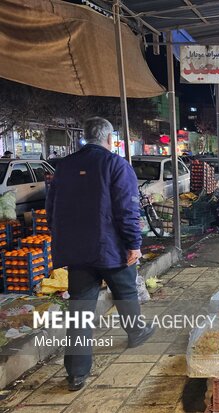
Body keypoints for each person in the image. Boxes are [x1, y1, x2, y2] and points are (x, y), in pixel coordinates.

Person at [46, 117, 154, 391]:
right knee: (126, 291)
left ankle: (76, 373)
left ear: (85, 137)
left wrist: (66, 241)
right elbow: (127, 210)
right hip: (111, 248)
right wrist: (133, 244)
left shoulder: (64, 167)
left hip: (78, 252)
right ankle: (136, 332)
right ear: (109, 140)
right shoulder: (116, 165)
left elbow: (51, 210)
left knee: (80, 310)